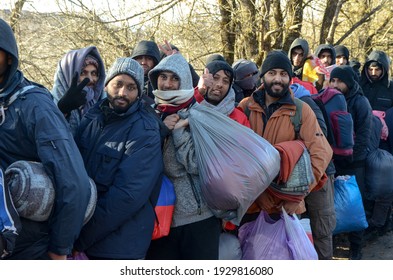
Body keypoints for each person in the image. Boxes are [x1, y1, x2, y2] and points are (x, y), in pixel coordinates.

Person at [0, 17, 91, 260]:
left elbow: (74, 182)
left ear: (9, 56)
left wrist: (59, 249)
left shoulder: (35, 106)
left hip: (29, 246)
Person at [72, 57, 164, 260]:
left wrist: (79, 238)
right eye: (118, 84)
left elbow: (126, 196)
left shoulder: (145, 130)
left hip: (118, 248)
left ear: (139, 93)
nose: (123, 93)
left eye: (131, 87)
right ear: (106, 85)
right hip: (84, 238)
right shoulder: (92, 117)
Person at [238, 51, 332, 225]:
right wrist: (257, 194)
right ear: (263, 76)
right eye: (272, 73)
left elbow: (321, 153)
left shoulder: (301, 110)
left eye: (283, 74)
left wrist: (298, 196)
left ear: (290, 78)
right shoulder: (245, 107)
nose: (278, 79)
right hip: (250, 205)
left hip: (287, 208)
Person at [145, 53, 221, 260]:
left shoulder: (201, 114)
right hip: (159, 219)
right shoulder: (148, 115)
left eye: (175, 78)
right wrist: (160, 130)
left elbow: (200, 165)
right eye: (163, 77)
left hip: (199, 218)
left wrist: (178, 132)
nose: (168, 84)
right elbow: (141, 163)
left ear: (185, 81)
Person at [329, 65, 373, 260]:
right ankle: (334, 242)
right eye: (333, 80)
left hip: (355, 163)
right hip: (333, 160)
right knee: (333, 203)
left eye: (339, 81)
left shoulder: (360, 102)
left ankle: (356, 247)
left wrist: (352, 157)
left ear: (349, 82)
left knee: (355, 204)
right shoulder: (328, 100)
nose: (335, 85)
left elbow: (364, 134)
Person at [360, 50, 393, 240]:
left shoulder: (390, 87)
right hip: (364, 137)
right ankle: (367, 219)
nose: (373, 72)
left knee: (384, 182)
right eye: (370, 68)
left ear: (384, 69)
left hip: (384, 141)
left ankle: (381, 221)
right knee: (366, 180)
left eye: (377, 69)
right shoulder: (361, 85)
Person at [52, 46, 106, 135]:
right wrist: (62, 111)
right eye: (83, 73)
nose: (90, 79)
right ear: (68, 74)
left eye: (94, 73)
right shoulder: (48, 103)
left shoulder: (104, 104)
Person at [195, 60, 250, 127]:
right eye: (215, 78)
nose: (220, 84)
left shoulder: (240, 119)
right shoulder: (189, 107)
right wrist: (199, 91)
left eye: (225, 81)